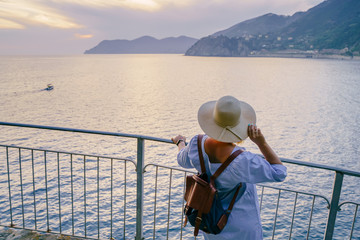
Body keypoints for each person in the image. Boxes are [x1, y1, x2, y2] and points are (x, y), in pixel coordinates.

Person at [172, 95, 287, 240]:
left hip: (212, 223)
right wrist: (261, 143)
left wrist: (180, 142)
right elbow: (279, 173)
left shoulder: (196, 143)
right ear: (239, 126)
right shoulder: (242, 160)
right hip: (241, 228)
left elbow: (182, 159)